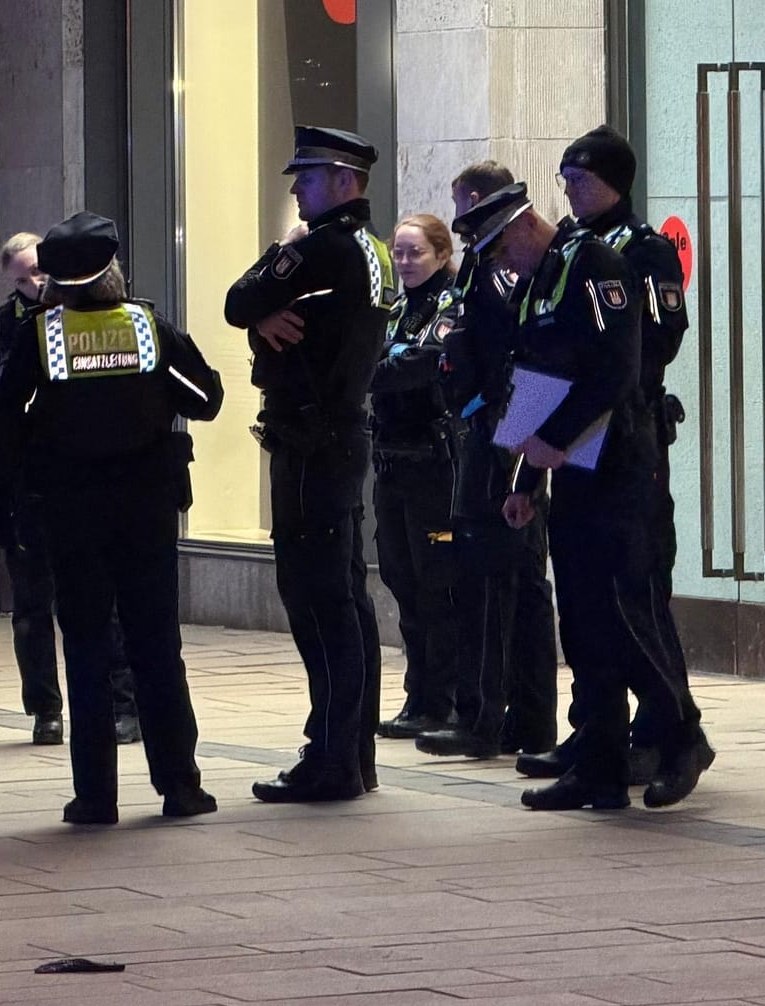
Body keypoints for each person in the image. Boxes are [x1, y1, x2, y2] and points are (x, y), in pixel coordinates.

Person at [455, 182, 707, 811]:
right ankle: (598, 765)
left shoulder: (593, 264)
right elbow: (538, 382)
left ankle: (681, 736)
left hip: (619, 466)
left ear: (518, 229)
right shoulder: (544, 279)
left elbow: (615, 372)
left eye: (497, 251)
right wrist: (525, 482)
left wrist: (556, 442)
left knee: (627, 615)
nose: (499, 266)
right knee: (586, 623)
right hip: (572, 471)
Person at [0, 211, 224, 824]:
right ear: (112, 269)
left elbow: (5, 423)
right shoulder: (148, 326)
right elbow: (206, 399)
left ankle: (95, 797)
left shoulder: (41, 337)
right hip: (145, 509)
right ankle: (180, 786)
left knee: (86, 646)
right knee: (155, 646)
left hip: (70, 512)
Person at [516, 126, 715, 786]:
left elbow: (658, 339)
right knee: (584, 595)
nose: (569, 190)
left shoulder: (644, 249)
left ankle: (671, 729)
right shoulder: (572, 250)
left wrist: (601, 385)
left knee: (634, 592)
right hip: (580, 431)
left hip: (625, 431)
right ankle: (596, 730)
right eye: (565, 180)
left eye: (581, 179)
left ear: (613, 182)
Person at [225, 126, 396, 803]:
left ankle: (329, 757)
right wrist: (267, 318)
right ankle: (353, 752)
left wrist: (267, 297)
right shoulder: (374, 250)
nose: (295, 188)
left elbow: (239, 300)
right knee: (347, 597)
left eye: (308, 176)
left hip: (308, 440)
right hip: (345, 432)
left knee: (317, 600)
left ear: (344, 181)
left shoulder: (320, 250)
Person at [414, 161, 559, 758]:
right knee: (511, 584)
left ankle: (483, 717)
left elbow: (510, 355)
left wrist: (483, 410)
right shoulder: (486, 259)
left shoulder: (500, 266)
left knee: (493, 585)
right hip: (498, 425)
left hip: (501, 431)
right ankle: (523, 719)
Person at [0, 232, 142, 748]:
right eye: (23, 278)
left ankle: (120, 706)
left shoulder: (116, 321)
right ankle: (46, 709)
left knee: (102, 604)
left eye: (39, 272)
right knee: (31, 607)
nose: (35, 284)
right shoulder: (12, 326)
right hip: (33, 486)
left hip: (87, 485)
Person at [369, 214, 464, 741]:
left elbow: (424, 363)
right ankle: (417, 696)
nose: (405, 263)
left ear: (441, 253)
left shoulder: (451, 303)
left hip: (434, 463)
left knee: (437, 583)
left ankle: (443, 700)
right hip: (391, 460)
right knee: (401, 580)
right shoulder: (396, 308)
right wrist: (385, 359)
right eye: (399, 253)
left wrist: (384, 361)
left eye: (415, 253)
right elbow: (373, 357)